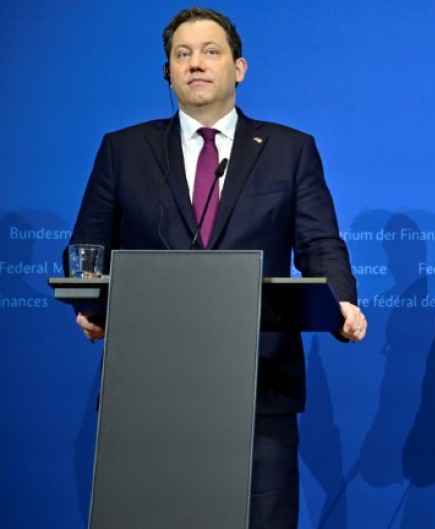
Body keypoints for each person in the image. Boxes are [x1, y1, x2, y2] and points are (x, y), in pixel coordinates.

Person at [66, 7, 367, 528]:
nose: (195, 63)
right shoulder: (124, 151)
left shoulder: (289, 150)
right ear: (168, 72)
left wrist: (340, 299)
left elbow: (318, 242)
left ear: (239, 68)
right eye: (182, 54)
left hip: (258, 385)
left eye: (210, 52)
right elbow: (86, 249)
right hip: (149, 387)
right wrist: (94, 306)